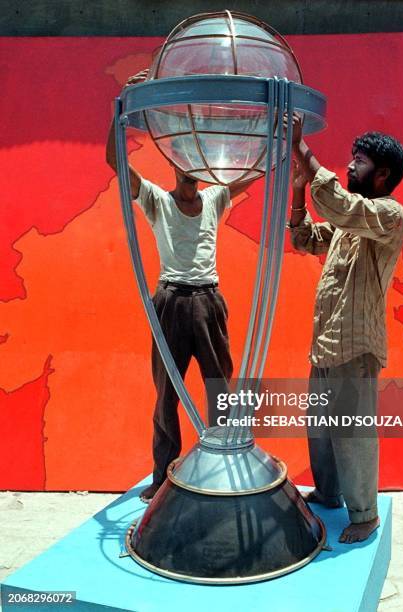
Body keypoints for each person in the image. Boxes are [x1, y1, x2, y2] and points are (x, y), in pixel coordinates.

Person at [106, 69, 257, 502]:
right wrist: (122, 106)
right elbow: (117, 162)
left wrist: (277, 140)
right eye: (182, 162)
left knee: (219, 390)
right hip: (171, 301)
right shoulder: (157, 199)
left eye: (195, 162)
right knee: (166, 394)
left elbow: (252, 173)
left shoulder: (214, 198)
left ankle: (225, 468)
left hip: (209, 301)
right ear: (174, 167)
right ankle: (162, 478)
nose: (189, 169)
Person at [288, 114, 403, 543]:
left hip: (355, 347)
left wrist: (302, 148)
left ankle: (365, 514)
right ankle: (328, 492)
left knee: (353, 432)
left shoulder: (389, 214)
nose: (350, 166)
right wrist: (299, 189)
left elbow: (339, 204)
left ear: (383, 174)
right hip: (327, 344)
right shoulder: (349, 224)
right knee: (319, 426)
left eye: (359, 161)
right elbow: (304, 239)